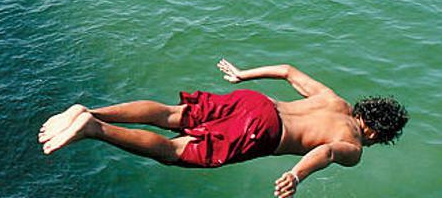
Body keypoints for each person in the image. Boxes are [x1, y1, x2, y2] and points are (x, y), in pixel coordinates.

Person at [39, 57, 408, 198]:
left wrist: (242, 75)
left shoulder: (334, 99)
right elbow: (326, 151)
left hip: (256, 102)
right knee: (173, 151)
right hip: (262, 130)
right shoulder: (354, 147)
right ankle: (92, 127)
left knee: (171, 114)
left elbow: (287, 71)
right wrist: (296, 176)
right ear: (377, 133)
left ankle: (88, 110)